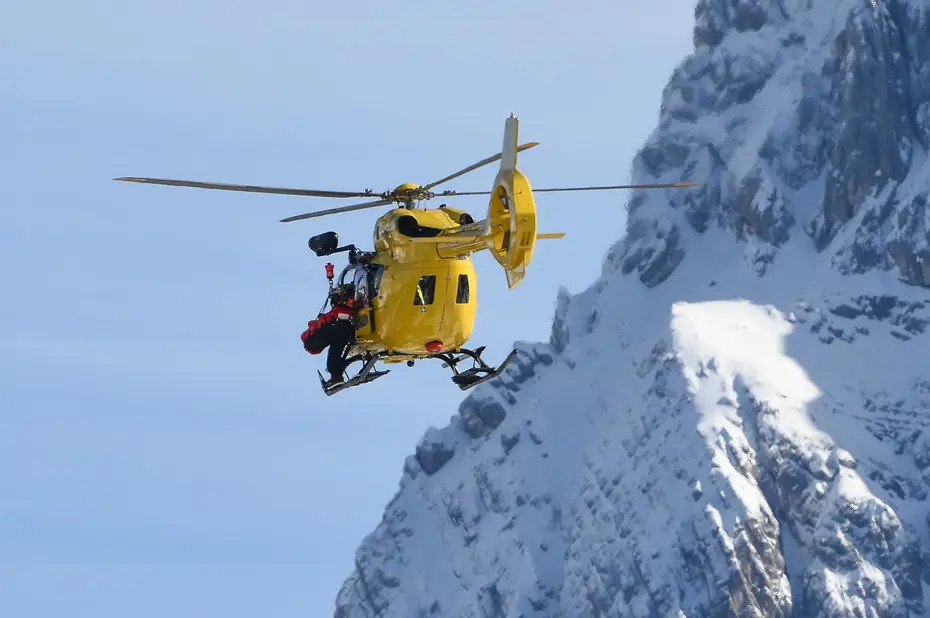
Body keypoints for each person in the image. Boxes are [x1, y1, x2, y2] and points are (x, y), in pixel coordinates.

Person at [301, 284, 357, 386]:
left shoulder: (346, 303)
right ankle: (336, 376)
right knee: (335, 352)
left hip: (341, 329)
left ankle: (336, 376)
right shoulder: (338, 310)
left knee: (334, 355)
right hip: (344, 330)